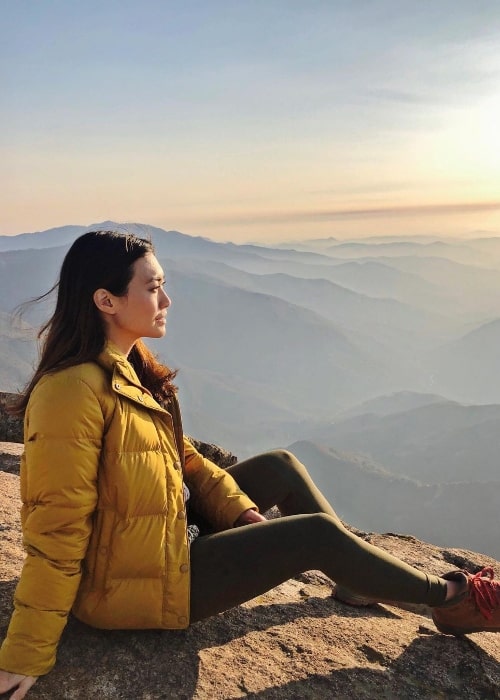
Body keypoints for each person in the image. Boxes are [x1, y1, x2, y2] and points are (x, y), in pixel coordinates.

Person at [0, 230, 498, 699]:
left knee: (280, 466)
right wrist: (27, 651)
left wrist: (237, 511)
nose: (166, 301)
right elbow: (57, 529)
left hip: (156, 538)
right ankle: (452, 599)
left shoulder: (127, 365)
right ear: (105, 301)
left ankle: (357, 579)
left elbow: (182, 459)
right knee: (313, 534)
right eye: (153, 289)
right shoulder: (70, 392)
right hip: (126, 588)